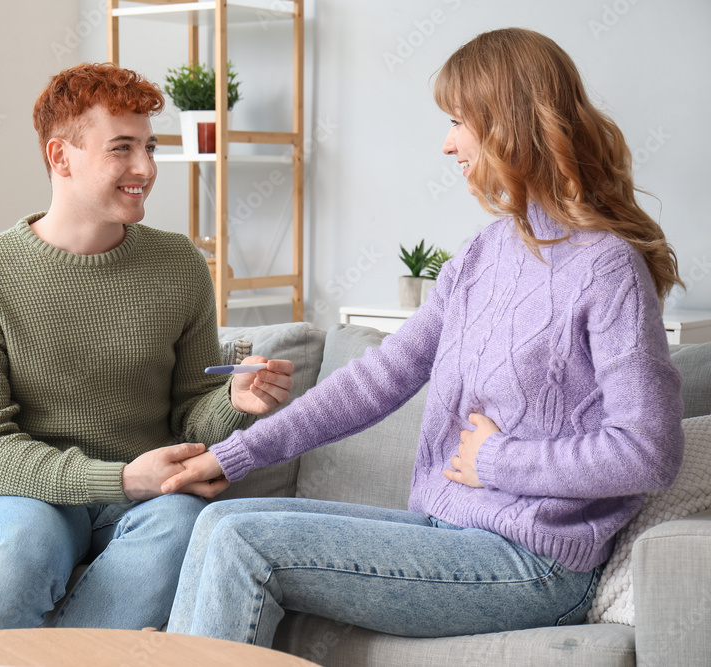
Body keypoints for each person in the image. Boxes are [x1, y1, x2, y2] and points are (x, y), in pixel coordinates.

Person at [162, 28, 686, 645]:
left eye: (459, 120)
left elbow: (649, 452)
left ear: (507, 123)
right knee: (219, 520)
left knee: (243, 542)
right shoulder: (483, 255)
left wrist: (496, 460)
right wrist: (235, 454)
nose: (447, 143)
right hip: (443, 528)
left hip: (533, 563)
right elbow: (377, 379)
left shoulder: (608, 267)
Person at [0, 62, 293, 634]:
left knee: (186, 526)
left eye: (150, 147)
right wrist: (123, 478)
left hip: (150, 501)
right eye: (121, 148)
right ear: (61, 156)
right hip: (29, 494)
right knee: (23, 545)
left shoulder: (179, 265)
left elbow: (188, 414)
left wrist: (232, 399)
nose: (145, 169)